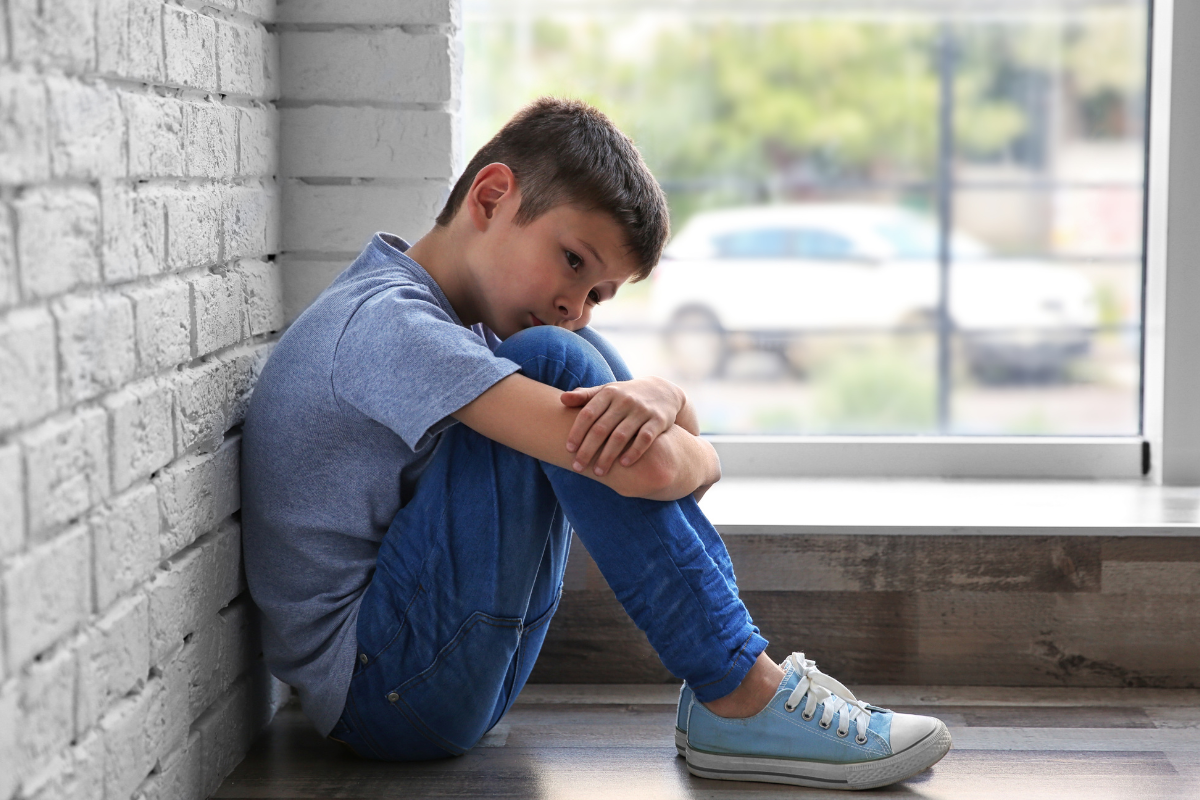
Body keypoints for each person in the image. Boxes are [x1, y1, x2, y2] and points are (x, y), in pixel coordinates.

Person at [241, 97, 951, 790]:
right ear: (491, 199)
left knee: (579, 366)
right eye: (573, 262)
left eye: (598, 293)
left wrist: (663, 397)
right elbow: (660, 469)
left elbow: (676, 469)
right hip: (385, 698)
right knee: (559, 361)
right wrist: (678, 425)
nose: (575, 304)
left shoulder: (465, 328)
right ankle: (737, 689)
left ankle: (734, 684)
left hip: (435, 675)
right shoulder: (388, 327)